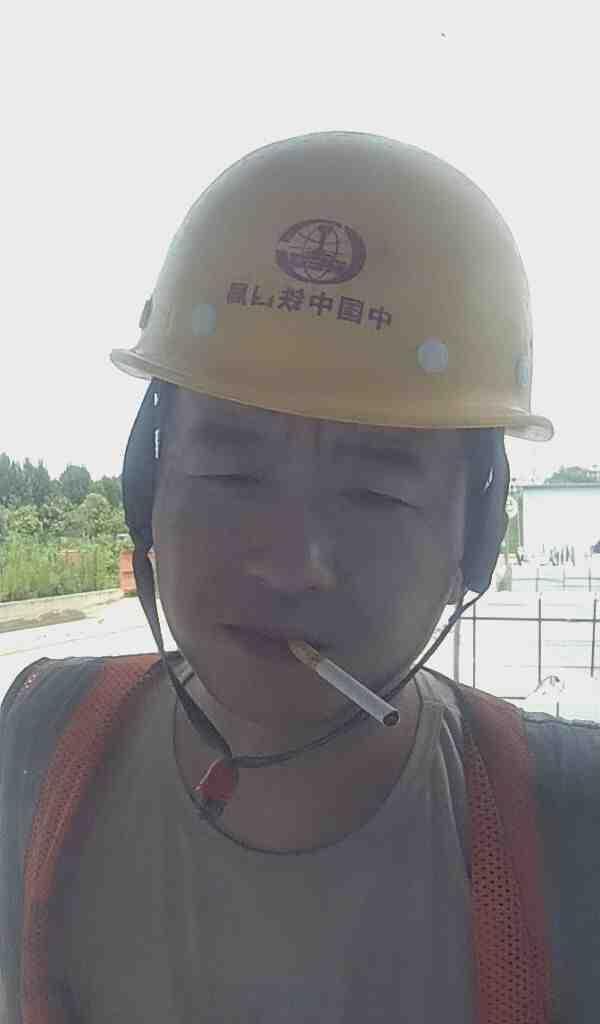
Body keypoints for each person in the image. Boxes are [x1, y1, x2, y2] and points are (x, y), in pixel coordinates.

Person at [2, 132, 600, 1023]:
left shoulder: (571, 832)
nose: (290, 561)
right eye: (231, 468)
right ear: (149, 485)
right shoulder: (36, 746)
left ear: (472, 536)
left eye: (375, 490)